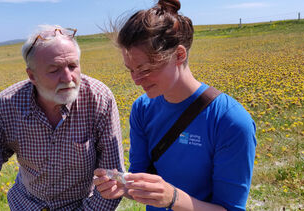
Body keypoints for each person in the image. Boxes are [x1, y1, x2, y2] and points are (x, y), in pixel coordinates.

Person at [93, 0, 257, 211]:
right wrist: (122, 185)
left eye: (144, 69)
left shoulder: (230, 121)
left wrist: (173, 199)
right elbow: (141, 174)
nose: (136, 79)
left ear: (179, 55)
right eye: (130, 70)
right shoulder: (142, 109)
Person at [0, 25, 125, 210]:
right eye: (54, 70)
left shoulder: (99, 99)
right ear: (32, 75)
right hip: (26, 204)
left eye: (73, 66)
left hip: (81, 206)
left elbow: (113, 179)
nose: (68, 77)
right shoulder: (7, 104)